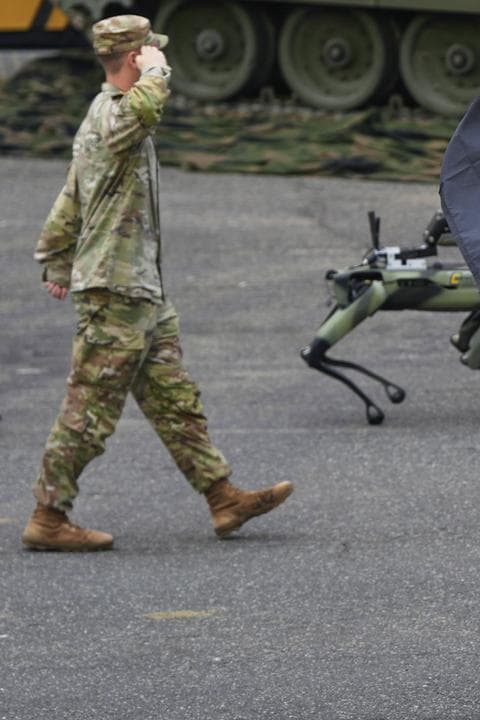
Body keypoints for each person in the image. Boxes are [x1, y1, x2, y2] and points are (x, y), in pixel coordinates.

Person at [23, 15, 292, 552]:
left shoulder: (111, 119)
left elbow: (72, 198)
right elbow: (142, 109)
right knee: (89, 411)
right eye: (147, 52)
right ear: (132, 59)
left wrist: (55, 259)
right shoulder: (114, 116)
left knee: (175, 401)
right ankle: (49, 517)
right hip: (116, 292)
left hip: (140, 291)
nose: (156, 59)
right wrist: (157, 71)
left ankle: (223, 498)